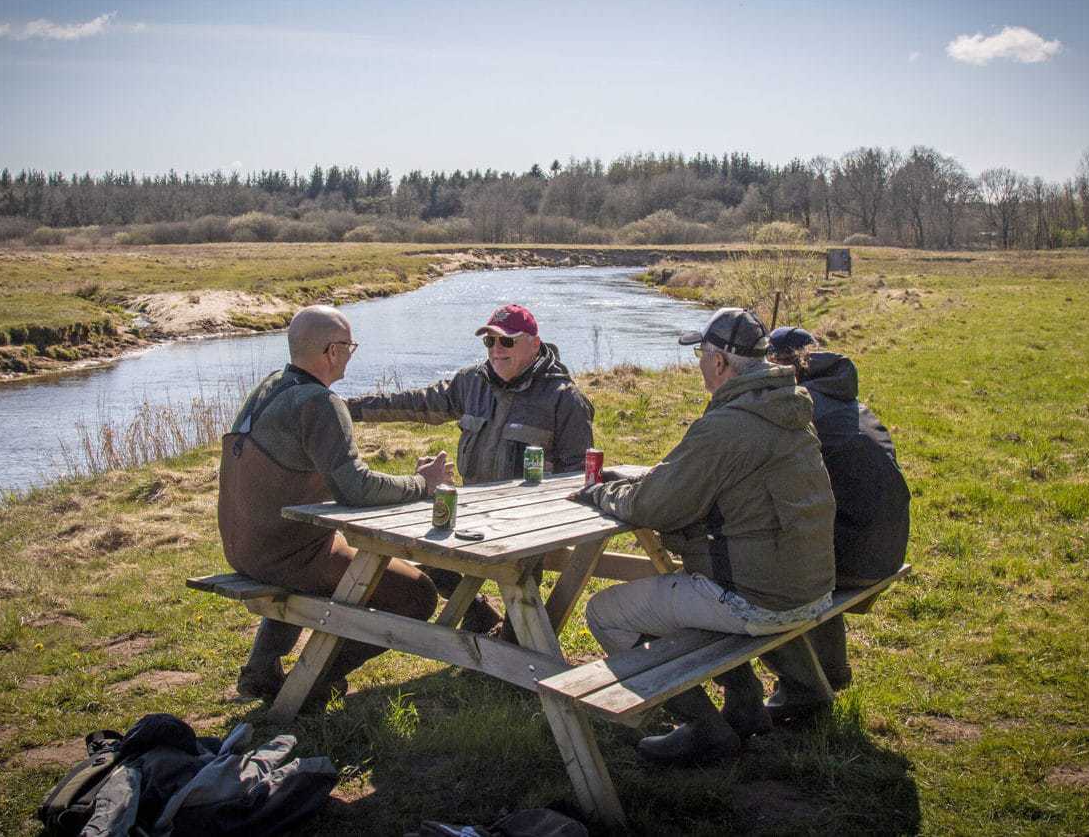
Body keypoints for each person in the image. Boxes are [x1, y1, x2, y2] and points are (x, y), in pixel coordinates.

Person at [572, 308, 836, 764]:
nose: (697, 363)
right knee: (685, 592)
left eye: (700, 353)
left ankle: (703, 727)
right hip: (813, 588)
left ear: (720, 363)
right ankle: (746, 700)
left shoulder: (729, 424)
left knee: (605, 612)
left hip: (760, 599)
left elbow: (654, 506)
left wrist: (602, 493)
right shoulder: (786, 408)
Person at [217, 304, 448, 703]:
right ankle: (312, 679)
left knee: (339, 564)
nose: (351, 354)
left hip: (245, 548)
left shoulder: (270, 388)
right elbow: (355, 488)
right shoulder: (320, 403)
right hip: (290, 553)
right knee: (418, 596)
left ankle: (260, 671)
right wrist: (421, 483)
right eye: (350, 346)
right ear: (332, 351)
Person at [346, 303, 594, 632]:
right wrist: (348, 409)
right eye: (489, 342)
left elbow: (581, 476)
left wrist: (546, 512)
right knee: (413, 542)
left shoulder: (563, 399)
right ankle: (475, 609)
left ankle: (519, 637)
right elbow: (419, 403)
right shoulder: (471, 382)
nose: (496, 350)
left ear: (534, 345)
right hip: (473, 510)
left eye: (507, 342)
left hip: (530, 523)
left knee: (520, 575)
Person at [759, 326, 911, 721]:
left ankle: (804, 689)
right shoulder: (842, 396)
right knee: (807, 552)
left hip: (857, 553)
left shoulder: (804, 407)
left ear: (779, 364)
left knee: (754, 573)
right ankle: (831, 671)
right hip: (887, 545)